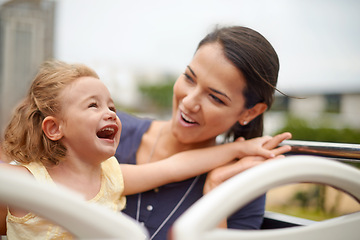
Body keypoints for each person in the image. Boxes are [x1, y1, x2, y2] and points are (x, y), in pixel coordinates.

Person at [0, 60, 289, 239]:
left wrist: (237, 149)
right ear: (54, 129)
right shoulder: (28, 181)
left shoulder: (111, 178)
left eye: (112, 106)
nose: (112, 113)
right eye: (93, 105)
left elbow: (176, 166)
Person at [115, 25, 291, 240]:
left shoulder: (241, 184)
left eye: (215, 97)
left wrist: (216, 194)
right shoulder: (110, 131)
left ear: (251, 112)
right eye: (189, 78)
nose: (189, 102)